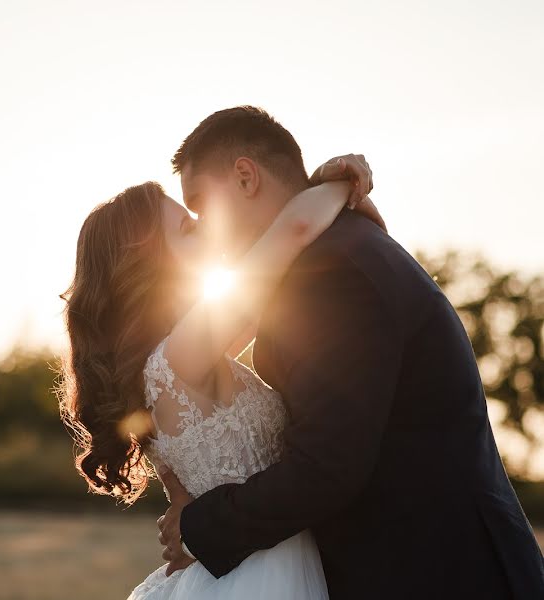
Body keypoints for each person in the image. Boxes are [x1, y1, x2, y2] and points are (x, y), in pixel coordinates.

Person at [153, 106, 544, 599]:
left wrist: (199, 527)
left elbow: (327, 465)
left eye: (202, 206)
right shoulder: (333, 251)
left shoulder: (330, 273)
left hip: (442, 571)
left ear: (246, 177)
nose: (206, 228)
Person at [59, 122, 384, 597]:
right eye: (190, 229)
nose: (209, 230)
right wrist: (337, 181)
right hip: (261, 574)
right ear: (151, 266)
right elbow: (292, 228)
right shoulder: (187, 349)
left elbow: (292, 250)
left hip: (247, 559)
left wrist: (347, 201)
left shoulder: (175, 359)